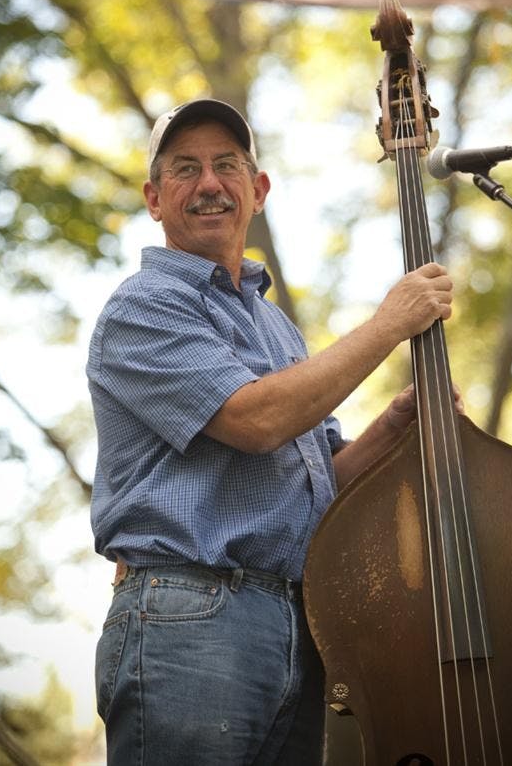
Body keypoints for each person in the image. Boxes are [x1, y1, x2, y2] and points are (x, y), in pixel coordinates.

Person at [87, 98, 458, 766]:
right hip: (187, 614)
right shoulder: (143, 305)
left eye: (226, 165)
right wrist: (389, 324)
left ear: (256, 191)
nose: (208, 183)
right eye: (184, 168)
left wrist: (394, 424)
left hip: (289, 620)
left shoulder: (274, 326)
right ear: (153, 197)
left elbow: (317, 488)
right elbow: (256, 421)